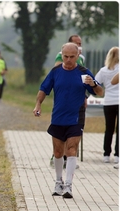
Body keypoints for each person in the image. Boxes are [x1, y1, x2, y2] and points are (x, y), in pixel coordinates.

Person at [33, 42, 104, 199]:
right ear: (61, 55)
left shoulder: (84, 73)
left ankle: (68, 185)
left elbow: (99, 92)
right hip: (58, 116)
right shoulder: (55, 72)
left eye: (72, 57)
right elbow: (44, 89)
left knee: (71, 149)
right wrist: (38, 104)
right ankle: (58, 182)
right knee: (58, 152)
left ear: (78, 56)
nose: (69, 59)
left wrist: (92, 84)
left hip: (76, 117)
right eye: (66, 56)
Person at [50, 34, 87, 169]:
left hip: (77, 100)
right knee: (60, 131)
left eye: (80, 43)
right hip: (64, 98)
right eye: (76, 43)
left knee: (73, 131)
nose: (79, 45)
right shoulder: (62, 56)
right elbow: (59, 71)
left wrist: (85, 96)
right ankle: (58, 156)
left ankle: (69, 156)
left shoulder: (81, 58)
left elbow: (83, 79)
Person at [95, 47, 119, 164]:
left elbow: (96, 82)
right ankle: (117, 154)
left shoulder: (103, 70)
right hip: (118, 100)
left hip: (108, 101)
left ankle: (106, 154)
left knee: (108, 128)